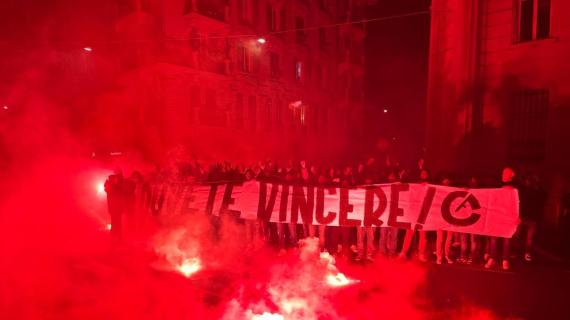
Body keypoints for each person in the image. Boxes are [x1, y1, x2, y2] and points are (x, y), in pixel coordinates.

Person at [485, 167, 517, 270]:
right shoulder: (497, 186)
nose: (502, 175)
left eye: (505, 173)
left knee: (506, 239)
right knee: (494, 238)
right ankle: (492, 258)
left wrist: (517, 216)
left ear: (510, 176)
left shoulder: (515, 189)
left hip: (507, 217)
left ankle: (505, 259)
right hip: (497, 216)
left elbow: (516, 204)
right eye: (502, 173)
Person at [399, 168, 429, 261]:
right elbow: (405, 187)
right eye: (422, 173)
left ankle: (421, 254)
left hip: (424, 213)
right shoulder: (415, 184)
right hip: (414, 212)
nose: (423, 174)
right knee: (409, 233)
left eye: (425, 173)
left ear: (427, 175)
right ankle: (403, 252)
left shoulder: (431, 185)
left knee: (423, 235)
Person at [518, 174, 547, 262]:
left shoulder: (535, 192)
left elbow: (543, 197)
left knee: (528, 238)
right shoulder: (525, 191)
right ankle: (522, 252)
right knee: (520, 236)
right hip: (525, 217)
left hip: (530, 217)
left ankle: (526, 253)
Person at [458, 176, 479, 264]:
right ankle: (464, 256)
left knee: (472, 239)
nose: (473, 181)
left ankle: (470, 256)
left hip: (473, 219)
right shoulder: (465, 191)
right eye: (471, 180)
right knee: (465, 239)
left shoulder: (479, 193)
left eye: (474, 180)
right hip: (466, 218)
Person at [435, 175, 454, 264]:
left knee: (449, 237)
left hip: (450, 216)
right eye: (444, 180)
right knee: (440, 237)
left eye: (448, 180)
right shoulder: (438, 190)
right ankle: (439, 256)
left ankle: (446, 255)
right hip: (440, 216)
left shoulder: (452, 190)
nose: (446, 181)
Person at [105, 168, 126, 246]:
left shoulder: (118, 185)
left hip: (118, 208)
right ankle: (113, 240)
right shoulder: (110, 186)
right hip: (113, 208)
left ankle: (118, 239)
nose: (116, 180)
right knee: (114, 224)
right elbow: (110, 192)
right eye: (115, 178)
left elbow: (121, 192)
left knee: (118, 223)